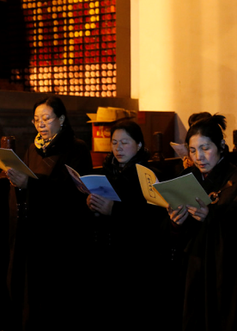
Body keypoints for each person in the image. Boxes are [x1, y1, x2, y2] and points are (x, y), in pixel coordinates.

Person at [167, 114, 237, 330]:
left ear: (221, 146)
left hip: (228, 276)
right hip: (194, 269)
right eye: (193, 150)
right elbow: (178, 235)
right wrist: (176, 223)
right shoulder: (189, 177)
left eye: (205, 148)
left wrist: (211, 217)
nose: (199, 157)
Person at [5, 96, 93, 331]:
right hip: (34, 230)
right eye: (36, 120)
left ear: (61, 119)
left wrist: (31, 184)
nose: (40, 124)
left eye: (46, 118)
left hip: (63, 233)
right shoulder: (32, 148)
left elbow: (74, 189)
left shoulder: (76, 148)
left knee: (59, 297)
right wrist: (17, 182)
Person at [85, 118, 168, 330]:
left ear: (139, 145)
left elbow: (154, 217)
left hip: (136, 258)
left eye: (125, 142)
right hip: (107, 252)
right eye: (114, 143)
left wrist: (114, 210)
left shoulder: (149, 175)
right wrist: (92, 202)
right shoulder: (107, 171)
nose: (118, 148)